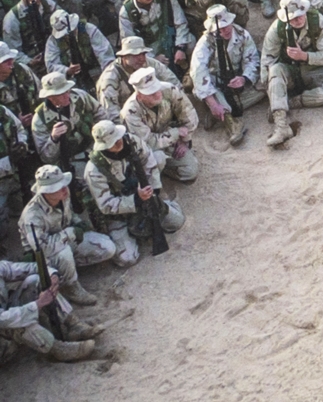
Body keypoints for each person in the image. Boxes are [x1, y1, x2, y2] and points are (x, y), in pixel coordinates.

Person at [83, 119, 185, 267]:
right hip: (118, 213)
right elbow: (106, 205)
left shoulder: (132, 142)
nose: (118, 142)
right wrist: (136, 199)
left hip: (143, 195)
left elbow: (149, 164)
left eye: (118, 137)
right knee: (128, 259)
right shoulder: (94, 170)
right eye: (113, 142)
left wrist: (153, 191)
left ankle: (164, 207)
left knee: (177, 222)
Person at [18, 165, 115, 306]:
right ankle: (71, 287)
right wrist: (71, 233)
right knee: (64, 253)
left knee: (108, 248)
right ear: (46, 192)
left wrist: (78, 224)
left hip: (66, 240)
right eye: (58, 187)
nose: (64, 188)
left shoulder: (62, 195)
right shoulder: (32, 216)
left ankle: (66, 270)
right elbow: (43, 248)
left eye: (63, 184)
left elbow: (70, 215)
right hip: (45, 256)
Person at [260, 0, 323, 147]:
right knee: (275, 69)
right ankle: (281, 126)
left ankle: (292, 102)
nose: (297, 20)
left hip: (315, 69)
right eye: (292, 18)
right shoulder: (277, 29)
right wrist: (271, 91)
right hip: (290, 72)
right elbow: (267, 60)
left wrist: (304, 56)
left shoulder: (318, 21)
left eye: (300, 15)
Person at [189, 4, 264, 146]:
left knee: (264, 82)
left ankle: (220, 112)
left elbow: (253, 60)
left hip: (236, 80)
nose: (226, 29)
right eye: (221, 28)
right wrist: (212, 103)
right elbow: (198, 72)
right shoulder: (205, 43)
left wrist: (244, 79)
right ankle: (231, 123)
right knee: (207, 89)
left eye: (227, 25)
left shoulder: (242, 35)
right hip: (216, 83)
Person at [121, 65, 199, 183]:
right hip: (145, 149)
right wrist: (176, 133)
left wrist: (185, 140)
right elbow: (148, 143)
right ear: (139, 96)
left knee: (190, 172)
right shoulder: (130, 112)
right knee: (158, 158)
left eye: (156, 88)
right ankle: (152, 183)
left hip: (166, 138)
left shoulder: (169, 90)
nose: (157, 93)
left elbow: (190, 116)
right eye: (151, 92)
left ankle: (163, 170)